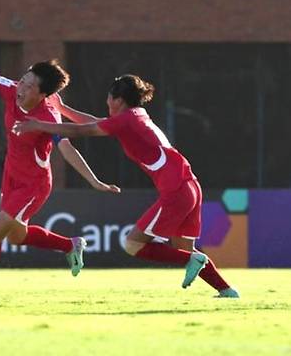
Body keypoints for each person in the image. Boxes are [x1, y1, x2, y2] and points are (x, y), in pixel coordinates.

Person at [13, 74, 239, 298]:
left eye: (109, 98)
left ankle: (194, 262)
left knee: (133, 244)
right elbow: (95, 123)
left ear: (118, 100)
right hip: (190, 185)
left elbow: (83, 131)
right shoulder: (136, 115)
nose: (107, 102)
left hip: (176, 189)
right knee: (183, 250)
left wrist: (38, 125)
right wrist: (63, 109)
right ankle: (227, 290)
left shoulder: (126, 120)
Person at [0, 22, 119, 295]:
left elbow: (67, 148)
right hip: (11, 175)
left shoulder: (48, 117)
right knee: (17, 236)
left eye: (29, 85)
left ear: (44, 94)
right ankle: (71, 245)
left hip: (34, 184)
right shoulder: (12, 90)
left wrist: (94, 181)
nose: (21, 85)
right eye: (23, 78)